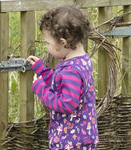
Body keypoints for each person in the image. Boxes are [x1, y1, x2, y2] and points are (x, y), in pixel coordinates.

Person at [28, 5, 99, 150]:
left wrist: (41, 89)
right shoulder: (82, 60)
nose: (46, 47)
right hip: (82, 136)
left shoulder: (70, 70)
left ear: (62, 42)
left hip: (71, 142)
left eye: (48, 42)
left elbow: (66, 104)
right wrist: (42, 71)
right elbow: (62, 86)